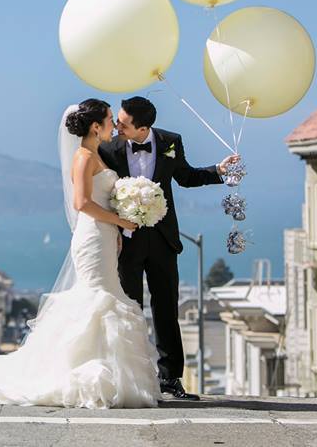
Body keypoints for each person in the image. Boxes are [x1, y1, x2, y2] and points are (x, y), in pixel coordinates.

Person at [0, 99, 161, 408]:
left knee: (104, 297)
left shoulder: (95, 154)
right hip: (93, 238)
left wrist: (117, 228)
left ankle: (105, 371)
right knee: (97, 298)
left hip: (104, 237)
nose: (114, 125)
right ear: (96, 127)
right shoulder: (84, 157)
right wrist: (120, 221)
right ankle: (85, 372)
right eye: (110, 119)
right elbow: (81, 203)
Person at [99, 96, 239, 400]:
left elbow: (186, 177)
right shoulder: (108, 148)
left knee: (166, 309)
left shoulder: (170, 141)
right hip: (126, 240)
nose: (117, 127)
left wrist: (218, 170)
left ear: (143, 128)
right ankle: (131, 377)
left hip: (163, 240)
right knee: (129, 309)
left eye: (123, 123)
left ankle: (170, 378)